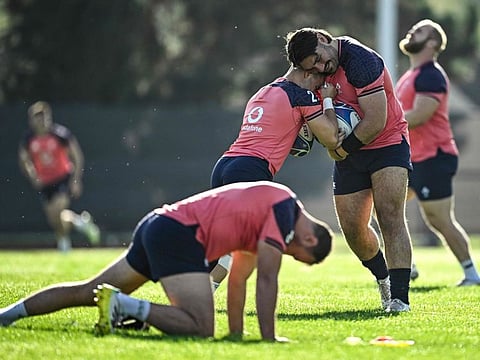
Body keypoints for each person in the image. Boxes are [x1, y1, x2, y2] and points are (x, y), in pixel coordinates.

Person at [0, 181, 334, 341]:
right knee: (201, 327)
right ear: (308, 240)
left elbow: (239, 279)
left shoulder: (267, 213)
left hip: (159, 224)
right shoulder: (284, 212)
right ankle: (123, 306)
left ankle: (6, 315)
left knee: (86, 291)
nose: (287, 254)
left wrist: (235, 334)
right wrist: (269, 339)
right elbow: (267, 279)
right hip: (179, 234)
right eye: (297, 256)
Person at [285, 27, 414, 312]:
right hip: (350, 155)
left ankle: (400, 299)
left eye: (319, 60)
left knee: (390, 217)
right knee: (354, 231)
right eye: (312, 67)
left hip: (387, 144)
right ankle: (384, 280)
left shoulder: (360, 59)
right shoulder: (312, 67)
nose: (320, 68)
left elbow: (376, 120)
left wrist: (340, 150)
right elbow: (287, 88)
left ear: (322, 39)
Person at [208, 43, 343, 290]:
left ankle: (196, 297)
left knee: (224, 246)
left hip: (225, 165)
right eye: (316, 82)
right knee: (259, 247)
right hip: (250, 170)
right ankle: (239, 307)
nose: (317, 88)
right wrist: (327, 102)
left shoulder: (265, 90)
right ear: (306, 73)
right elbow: (332, 137)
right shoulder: (301, 95)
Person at [396, 19, 480, 286]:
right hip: (412, 158)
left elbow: (421, 115)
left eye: (419, 31)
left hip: (434, 156)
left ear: (432, 42)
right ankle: (405, 265)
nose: (412, 32)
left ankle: (471, 274)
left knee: (439, 220)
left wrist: (384, 122)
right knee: (385, 205)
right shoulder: (410, 75)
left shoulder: (430, 74)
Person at [18, 101, 100, 252]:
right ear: (32, 121)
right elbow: (24, 159)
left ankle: (64, 244)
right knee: (54, 217)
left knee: (57, 210)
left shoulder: (60, 134)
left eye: (44, 117)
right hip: (45, 182)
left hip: (62, 178)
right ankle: (80, 223)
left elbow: (77, 156)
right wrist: (33, 176)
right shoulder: (29, 139)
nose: (41, 121)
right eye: (37, 118)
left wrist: (75, 180)